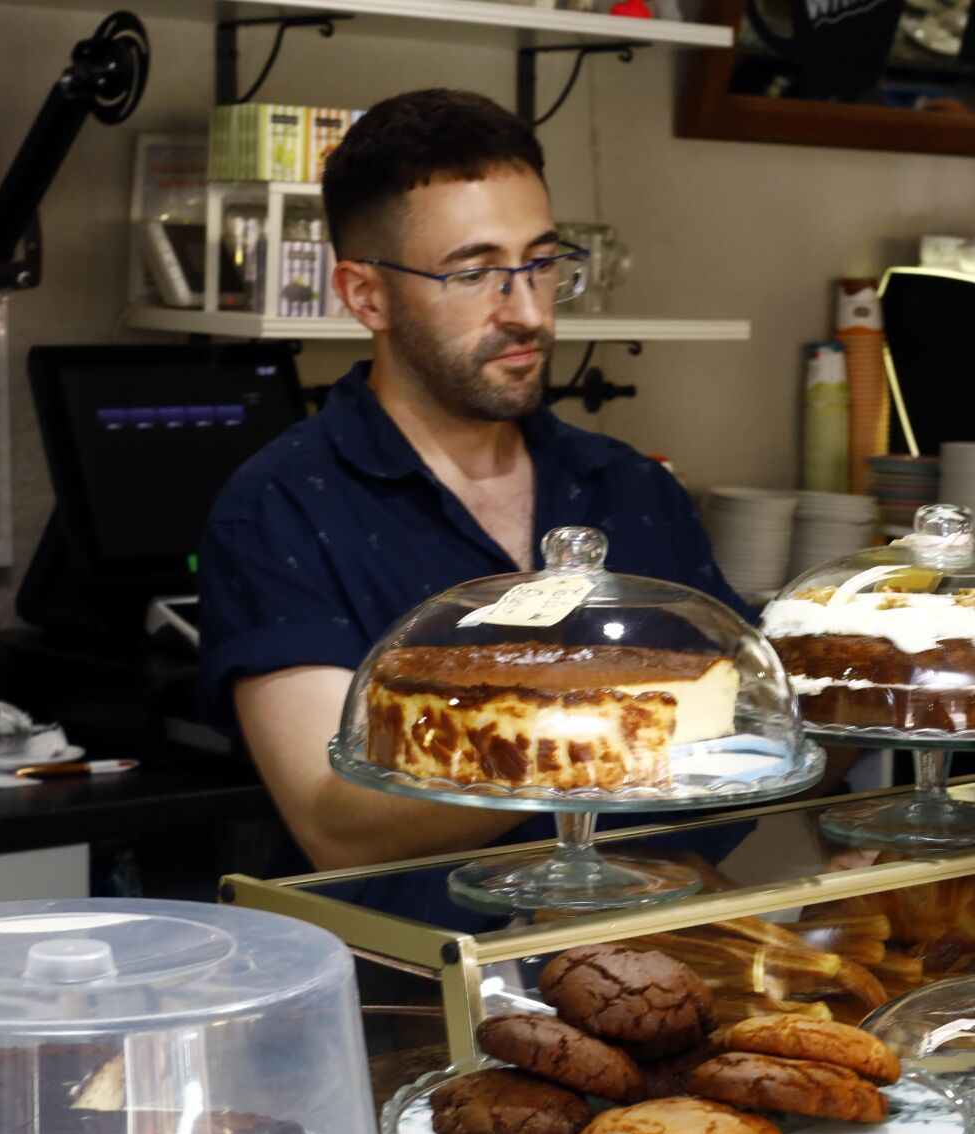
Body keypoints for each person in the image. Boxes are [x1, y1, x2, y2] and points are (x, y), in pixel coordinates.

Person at [197, 88, 755, 925]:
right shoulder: (280, 508)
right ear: (365, 295)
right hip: (419, 985)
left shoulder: (629, 488)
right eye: (474, 273)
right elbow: (337, 824)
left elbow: (754, 727)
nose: (528, 311)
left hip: (651, 957)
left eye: (542, 262)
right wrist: (607, 737)